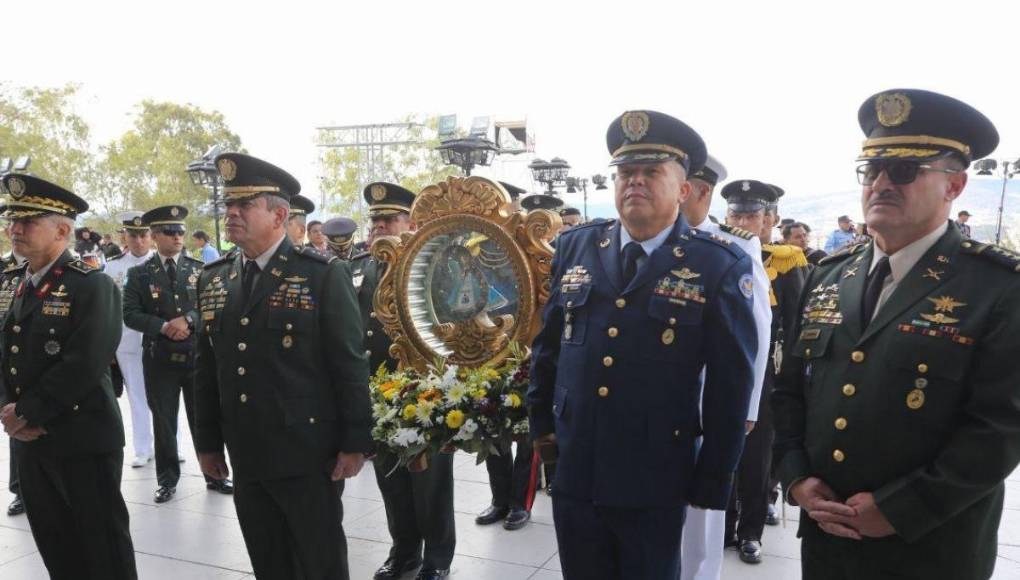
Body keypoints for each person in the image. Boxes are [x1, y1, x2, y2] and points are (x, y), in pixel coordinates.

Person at [772, 88, 1020, 580]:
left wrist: (902, 508)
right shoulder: (830, 275)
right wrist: (796, 476)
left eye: (905, 171)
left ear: (954, 186)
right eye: (872, 170)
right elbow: (790, 390)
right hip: (828, 538)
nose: (881, 182)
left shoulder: (997, 286)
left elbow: (999, 428)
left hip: (930, 545)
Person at [528, 110, 757, 580]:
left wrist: (713, 479)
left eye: (651, 172)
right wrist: (541, 426)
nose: (635, 182)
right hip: (576, 462)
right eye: (626, 173)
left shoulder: (717, 264)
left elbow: (731, 384)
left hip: (654, 472)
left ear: (684, 189)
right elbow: (548, 345)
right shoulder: (576, 247)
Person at [194, 153, 372, 579]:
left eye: (244, 205)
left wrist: (355, 442)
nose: (231, 214)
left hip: (308, 452)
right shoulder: (215, 278)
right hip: (246, 448)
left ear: (278, 214)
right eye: (228, 206)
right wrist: (206, 442)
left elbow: (348, 364)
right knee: (268, 558)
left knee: (319, 559)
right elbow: (207, 368)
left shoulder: (321, 274)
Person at [0, 173, 137, 579]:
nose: (15, 230)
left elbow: (85, 361)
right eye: (12, 221)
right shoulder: (13, 283)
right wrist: (9, 412)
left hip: (82, 439)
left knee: (103, 550)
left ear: (62, 229)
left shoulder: (91, 285)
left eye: (28, 222)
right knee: (56, 548)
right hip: (29, 441)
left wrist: (27, 412)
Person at [353, 182, 457, 580]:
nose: (380, 226)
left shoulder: (431, 263)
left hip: (424, 390)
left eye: (388, 218)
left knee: (429, 481)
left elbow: (454, 326)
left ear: (410, 222)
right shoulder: (359, 267)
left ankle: (437, 559)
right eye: (375, 219)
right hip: (377, 390)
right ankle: (404, 552)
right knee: (390, 479)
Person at [679, 156, 772, 580]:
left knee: (702, 511)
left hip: (707, 395)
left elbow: (755, 329)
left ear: (699, 190)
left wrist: (747, 407)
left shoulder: (733, 243)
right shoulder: (648, 234)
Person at [721, 179, 809, 564]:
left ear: (768, 219)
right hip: (722, 369)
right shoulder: (716, 252)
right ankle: (722, 524)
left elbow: (798, 324)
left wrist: (791, 376)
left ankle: (750, 531)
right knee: (720, 450)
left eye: (751, 214)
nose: (743, 220)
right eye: (736, 213)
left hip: (767, 372)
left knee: (757, 456)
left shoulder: (785, 260)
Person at [122, 205, 233, 503]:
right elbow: (130, 313)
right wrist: (162, 326)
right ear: (155, 235)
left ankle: (215, 474)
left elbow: (212, 304)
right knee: (164, 421)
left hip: (196, 356)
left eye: (181, 231)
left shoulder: (201, 270)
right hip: (160, 358)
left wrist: (190, 320)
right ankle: (167, 479)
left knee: (205, 417)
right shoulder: (139, 274)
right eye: (170, 232)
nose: (178, 237)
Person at [103, 212, 157, 469]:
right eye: (133, 235)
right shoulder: (113, 266)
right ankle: (143, 448)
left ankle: (173, 444)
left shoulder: (161, 263)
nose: (138, 241)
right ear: (124, 236)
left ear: (151, 236)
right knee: (137, 397)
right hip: (127, 342)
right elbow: (108, 309)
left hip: (159, 339)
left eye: (143, 235)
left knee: (165, 396)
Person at [2, 224, 26, 517]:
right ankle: (20, 489)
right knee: (14, 423)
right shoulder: (3, 270)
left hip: (41, 358)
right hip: (7, 359)